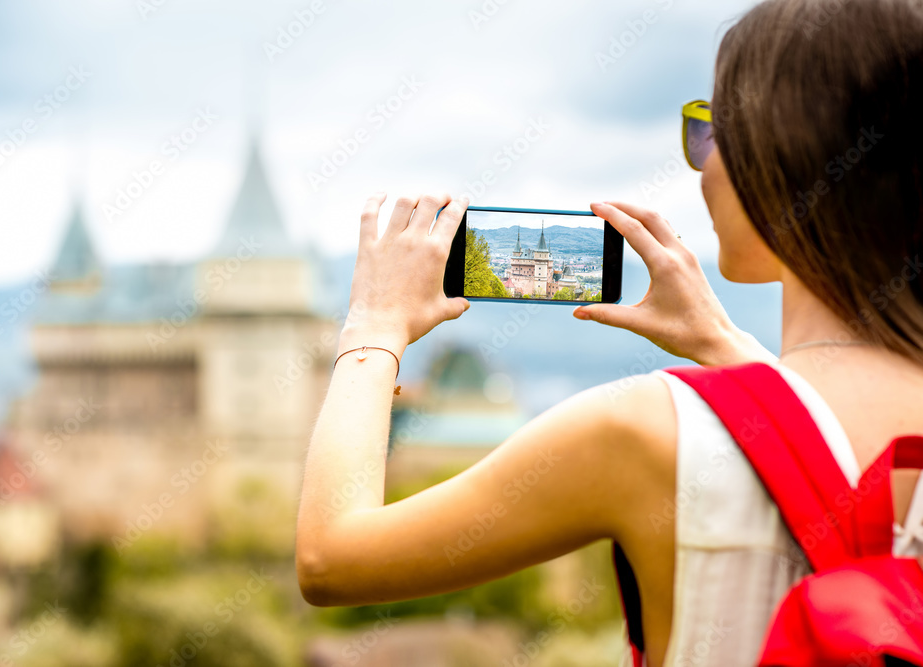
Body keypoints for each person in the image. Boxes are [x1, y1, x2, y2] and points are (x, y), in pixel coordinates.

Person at [295, 0, 923, 664]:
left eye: (710, 133)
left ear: (779, 155)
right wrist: (725, 344)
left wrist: (372, 327)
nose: (701, 165)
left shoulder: (642, 431)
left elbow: (332, 557)